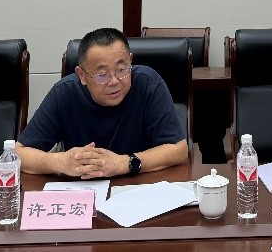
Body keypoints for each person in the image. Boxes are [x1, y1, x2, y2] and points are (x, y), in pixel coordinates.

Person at [16, 28, 188, 178]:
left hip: (139, 188)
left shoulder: (148, 84)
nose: (114, 81)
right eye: (102, 75)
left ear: (130, 60)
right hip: (83, 192)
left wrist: (125, 163)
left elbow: (178, 150)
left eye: (121, 70)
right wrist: (60, 162)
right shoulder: (64, 93)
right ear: (82, 75)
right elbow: (19, 153)